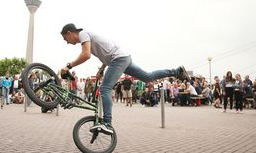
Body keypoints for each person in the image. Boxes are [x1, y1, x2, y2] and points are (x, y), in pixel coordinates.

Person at [60, 23, 190, 134]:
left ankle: (107, 123)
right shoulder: (87, 35)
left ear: (70, 32)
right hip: (123, 58)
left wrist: (68, 66)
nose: (66, 42)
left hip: (118, 59)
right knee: (147, 77)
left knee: (105, 89)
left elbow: (86, 54)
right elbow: (106, 52)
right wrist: (101, 69)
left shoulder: (83, 34)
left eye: (66, 38)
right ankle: (177, 71)